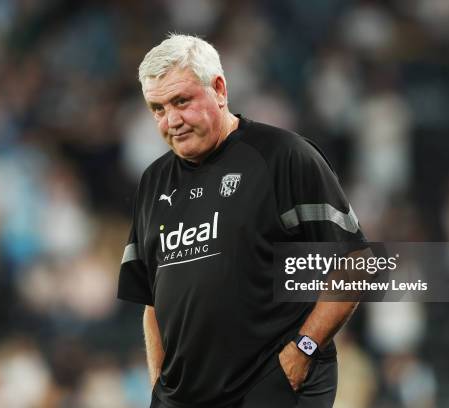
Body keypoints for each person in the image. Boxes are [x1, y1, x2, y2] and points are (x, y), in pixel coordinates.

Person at [117, 34, 367, 408]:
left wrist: (303, 350)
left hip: (272, 387)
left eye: (181, 101)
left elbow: (357, 262)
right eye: (157, 108)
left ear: (218, 89)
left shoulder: (283, 157)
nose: (172, 120)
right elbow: (152, 300)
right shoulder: (153, 182)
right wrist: (160, 385)